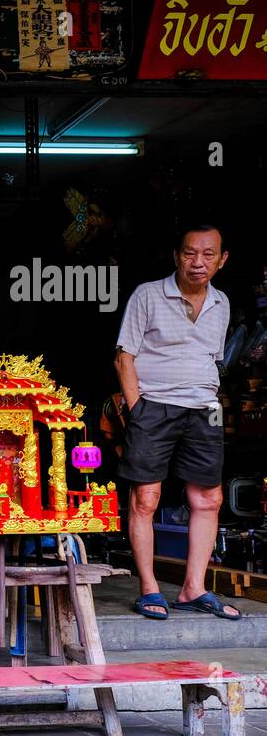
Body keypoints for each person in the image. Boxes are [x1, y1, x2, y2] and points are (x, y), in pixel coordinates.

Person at [114, 223, 240, 621]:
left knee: (209, 498)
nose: (197, 262)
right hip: (154, 406)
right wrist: (138, 412)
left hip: (204, 409)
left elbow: (210, 360)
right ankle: (150, 588)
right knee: (145, 499)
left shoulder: (221, 304)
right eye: (189, 253)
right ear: (176, 256)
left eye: (207, 255)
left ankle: (193, 588)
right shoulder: (148, 295)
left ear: (222, 261)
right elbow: (124, 356)